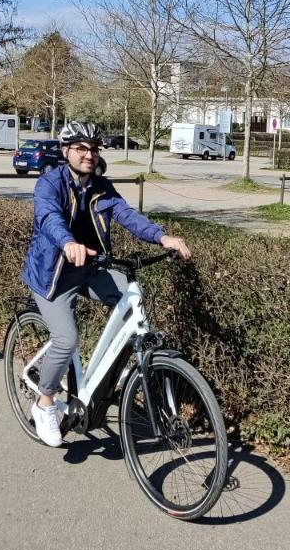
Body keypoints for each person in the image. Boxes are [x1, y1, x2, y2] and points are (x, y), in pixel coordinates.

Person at [22, 120, 192, 446]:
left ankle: (125, 372)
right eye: (81, 148)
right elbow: (49, 217)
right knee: (67, 338)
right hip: (53, 276)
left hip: (90, 268)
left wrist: (162, 237)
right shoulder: (50, 183)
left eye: (94, 149)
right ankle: (44, 403)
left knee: (131, 308)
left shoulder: (101, 188)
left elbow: (128, 215)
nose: (88, 155)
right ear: (66, 151)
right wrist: (68, 243)